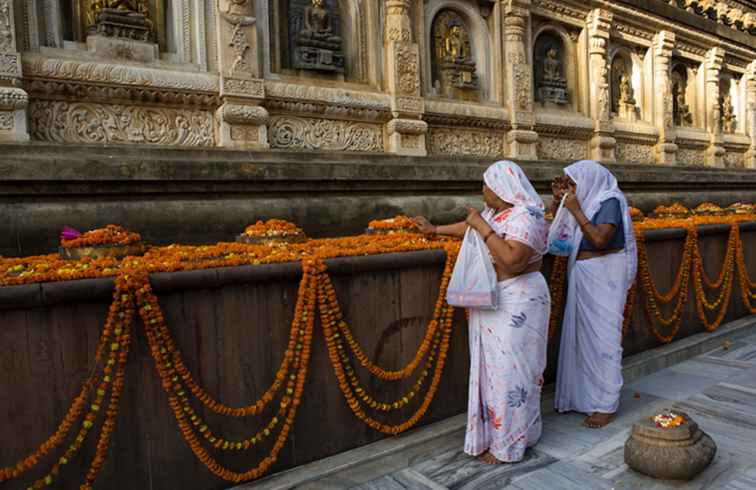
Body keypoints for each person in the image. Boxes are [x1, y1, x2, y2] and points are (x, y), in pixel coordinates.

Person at [414, 160, 550, 464]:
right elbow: (469, 227)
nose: (483, 189)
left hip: (519, 301)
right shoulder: (496, 213)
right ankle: (503, 434)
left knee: (513, 374)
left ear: (502, 187)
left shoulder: (525, 216)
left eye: (487, 184)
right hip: (494, 301)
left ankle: (509, 445)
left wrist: (482, 226)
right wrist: (435, 230)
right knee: (494, 374)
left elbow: (513, 261)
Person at [553, 160, 637, 428]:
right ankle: (584, 397)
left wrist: (575, 209)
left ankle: (606, 403)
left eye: (575, 184)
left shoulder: (608, 200)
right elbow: (560, 238)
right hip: (585, 273)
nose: (573, 190)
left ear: (590, 180)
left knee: (604, 338)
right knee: (583, 338)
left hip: (605, 274)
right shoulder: (588, 201)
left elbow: (600, 239)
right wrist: (560, 204)